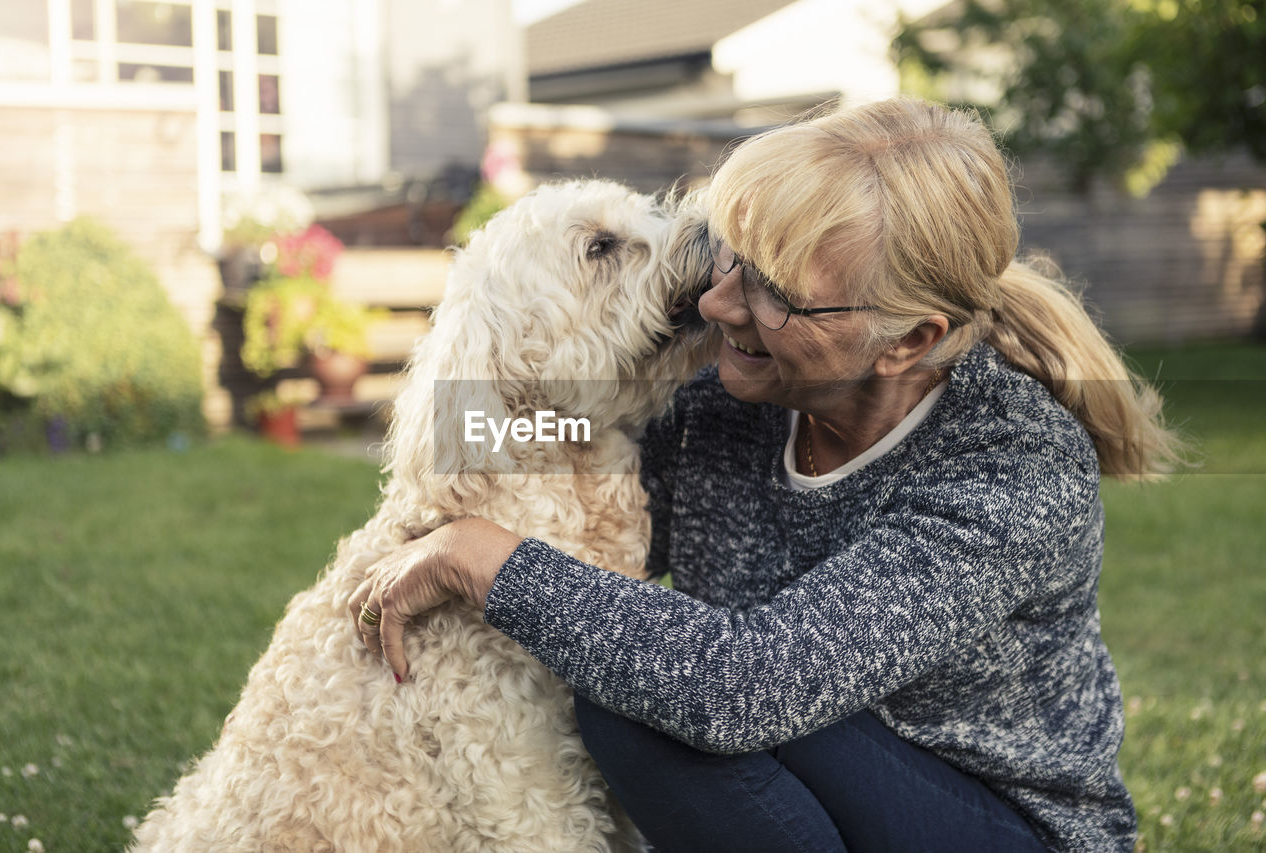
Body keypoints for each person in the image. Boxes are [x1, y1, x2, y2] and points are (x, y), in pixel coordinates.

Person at [349, 97, 1185, 852]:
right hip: (795, 770)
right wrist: (490, 432)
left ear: (908, 341)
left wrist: (483, 556)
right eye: (734, 258)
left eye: (776, 291)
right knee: (631, 671)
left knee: (650, 691)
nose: (718, 305)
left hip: (993, 821)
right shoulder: (726, 396)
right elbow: (557, 438)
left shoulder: (1013, 466)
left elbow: (743, 686)